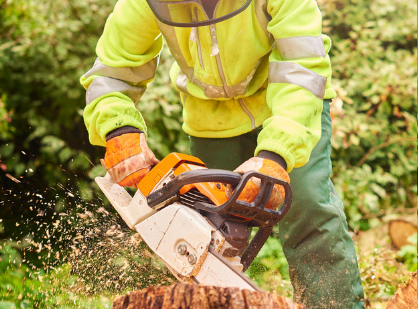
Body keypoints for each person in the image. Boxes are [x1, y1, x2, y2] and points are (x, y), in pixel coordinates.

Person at [80, 0, 365, 307]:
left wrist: (277, 154)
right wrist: (118, 129)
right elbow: (111, 73)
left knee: (307, 207)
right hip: (211, 120)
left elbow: (303, 68)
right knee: (213, 232)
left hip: (288, 107)